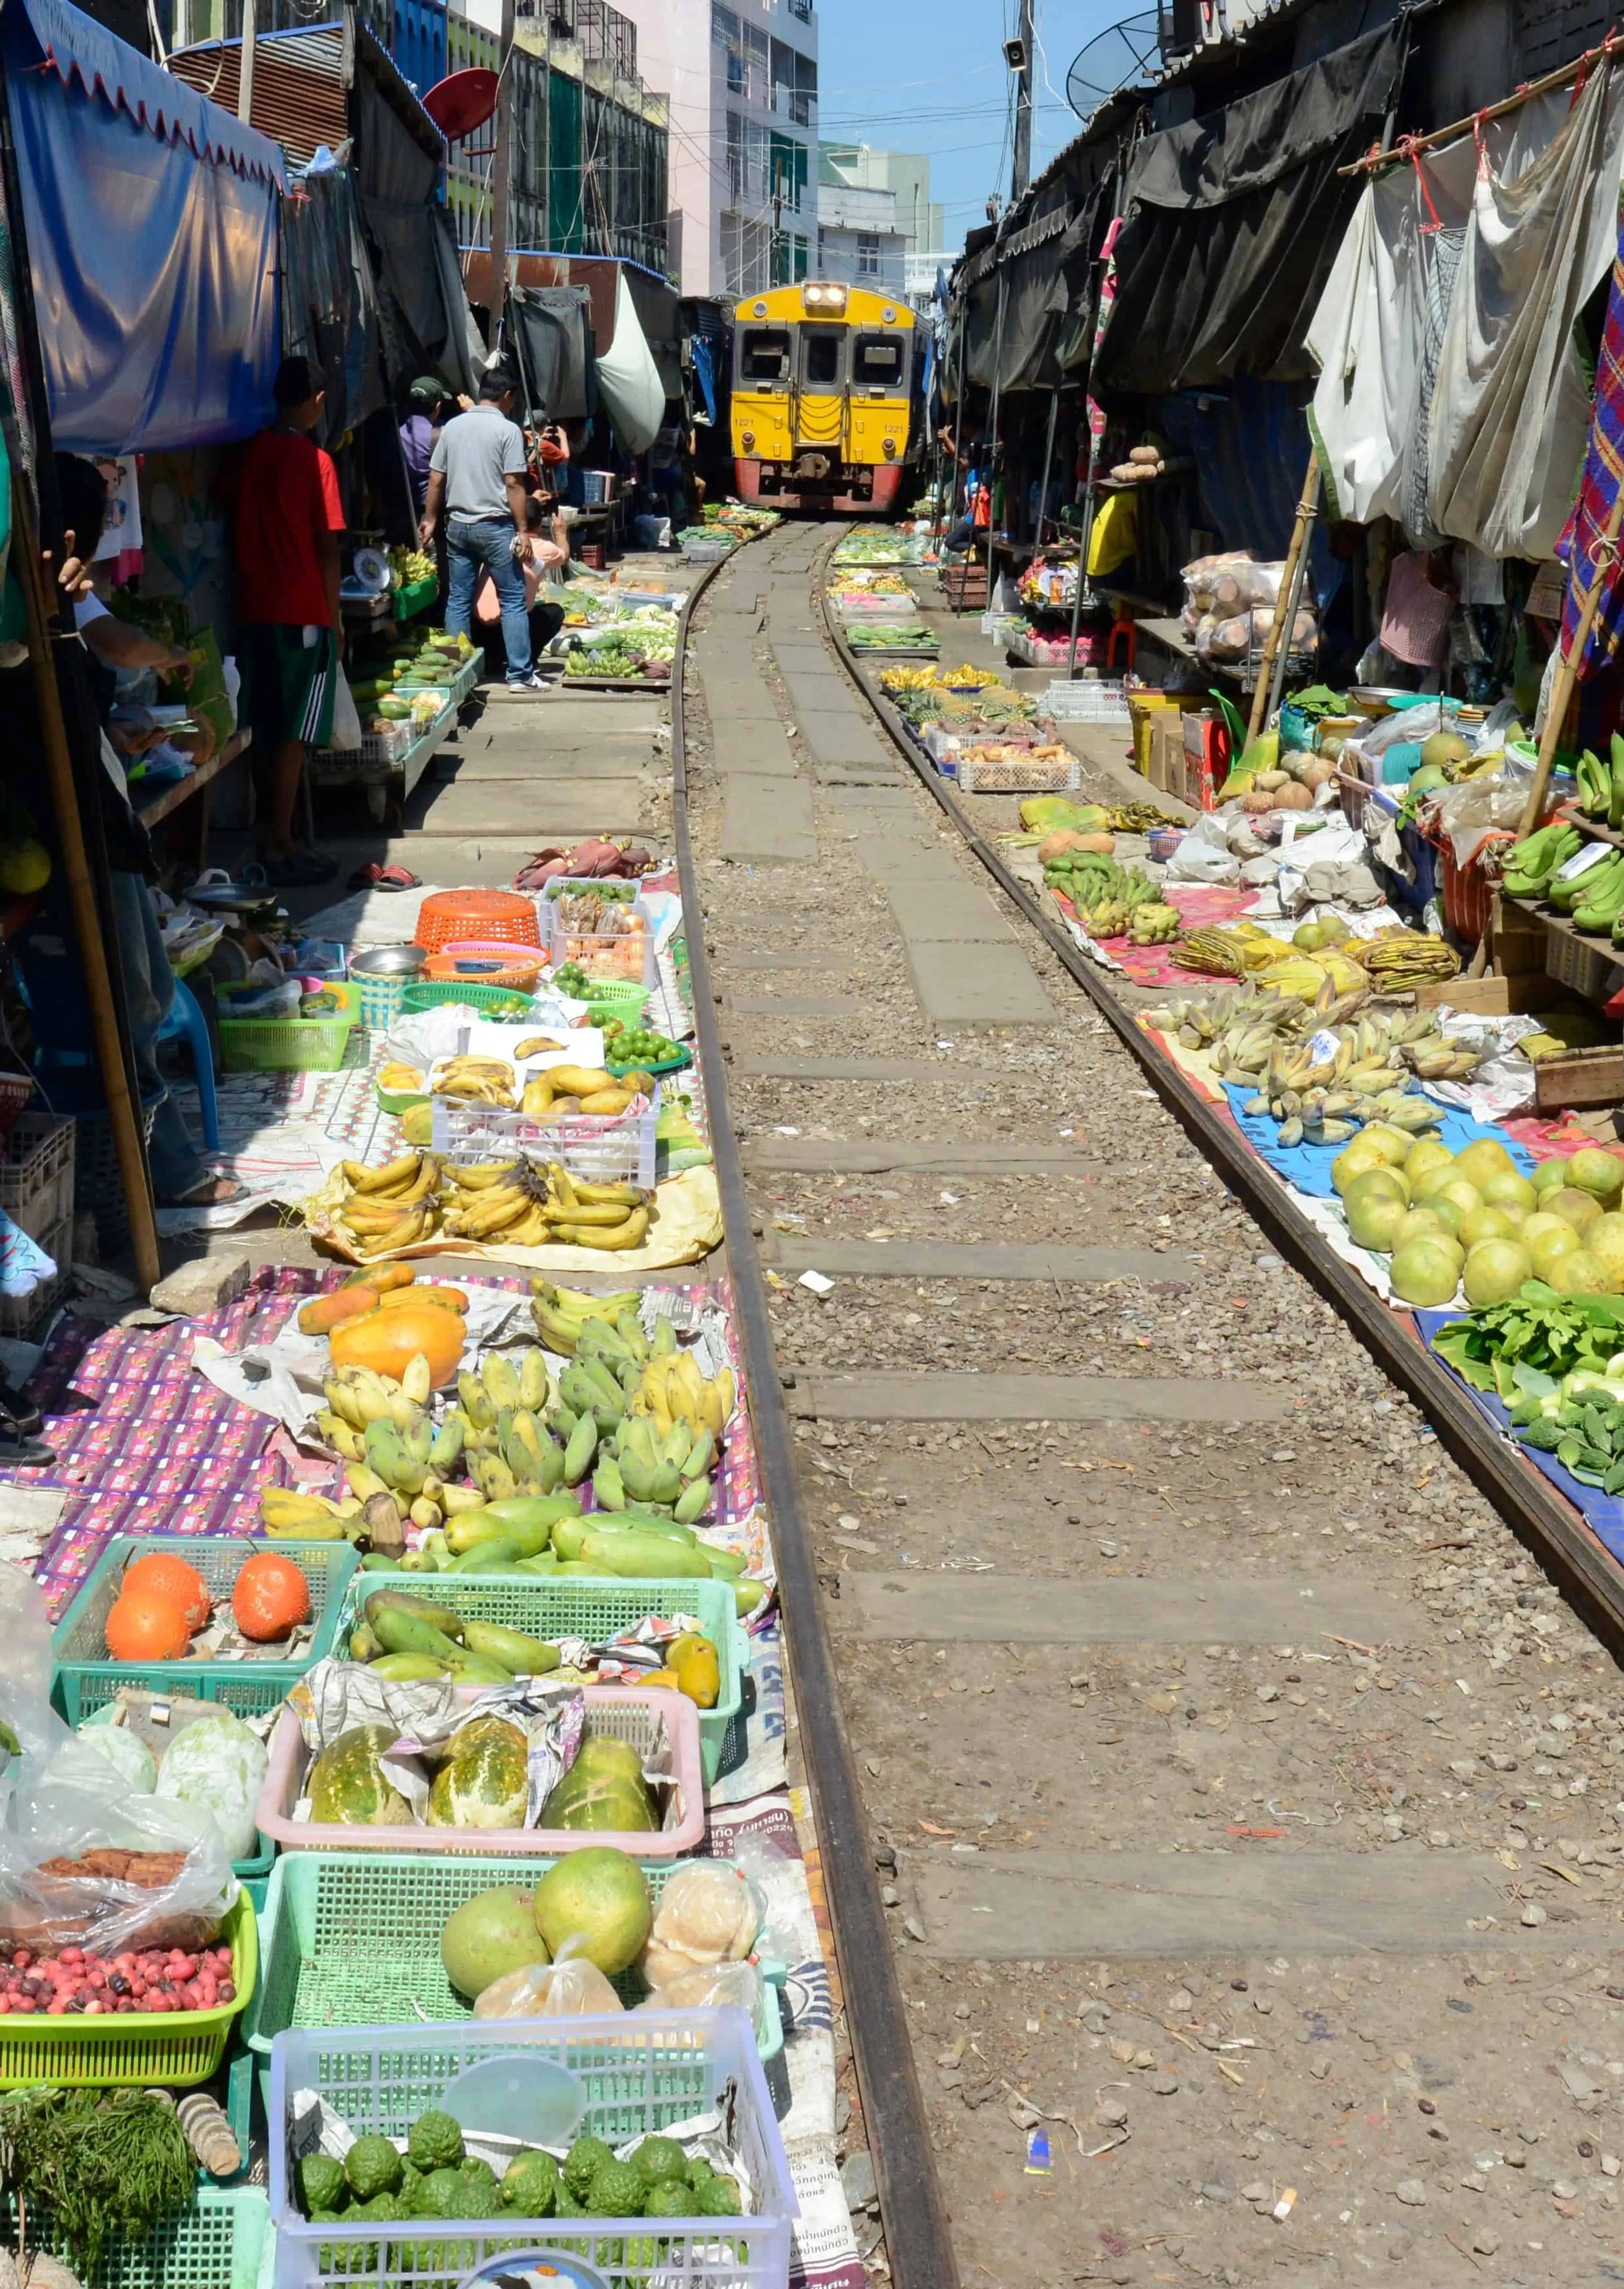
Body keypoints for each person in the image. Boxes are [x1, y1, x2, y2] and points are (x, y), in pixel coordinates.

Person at [44, 454, 242, 1211]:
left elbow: (106, 644)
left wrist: (125, 720)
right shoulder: (40, 598)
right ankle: (166, 1173)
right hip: (79, 830)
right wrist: (172, 660)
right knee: (129, 1004)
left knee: (146, 992)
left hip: (99, 810)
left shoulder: (66, 598)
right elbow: (115, 650)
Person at [230, 355, 345, 886]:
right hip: (302, 612)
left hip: (254, 609)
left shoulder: (248, 453)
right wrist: (336, 620)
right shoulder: (315, 460)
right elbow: (328, 547)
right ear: (317, 402)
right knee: (296, 733)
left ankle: (274, 834)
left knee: (265, 725)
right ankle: (279, 839)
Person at [418, 365, 546, 692]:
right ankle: (520, 675)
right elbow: (514, 483)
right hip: (496, 527)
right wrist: (522, 530)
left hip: (457, 525)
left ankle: (455, 672)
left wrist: (430, 519)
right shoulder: (508, 431)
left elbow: (436, 478)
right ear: (506, 396)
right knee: (514, 599)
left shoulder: (452, 428)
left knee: (458, 599)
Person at [399, 376, 449, 517]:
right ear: (438, 406)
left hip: (401, 510)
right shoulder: (443, 434)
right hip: (434, 512)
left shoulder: (396, 433)